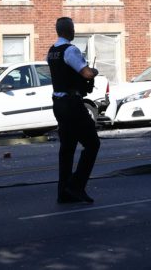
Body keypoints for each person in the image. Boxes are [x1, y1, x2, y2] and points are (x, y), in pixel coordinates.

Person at [46, 16, 100, 204]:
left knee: (67, 148)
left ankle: (63, 192)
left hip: (58, 103)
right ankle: (76, 186)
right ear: (68, 30)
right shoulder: (70, 50)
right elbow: (85, 73)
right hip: (72, 103)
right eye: (73, 28)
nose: (74, 31)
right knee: (93, 144)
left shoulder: (51, 51)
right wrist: (94, 72)